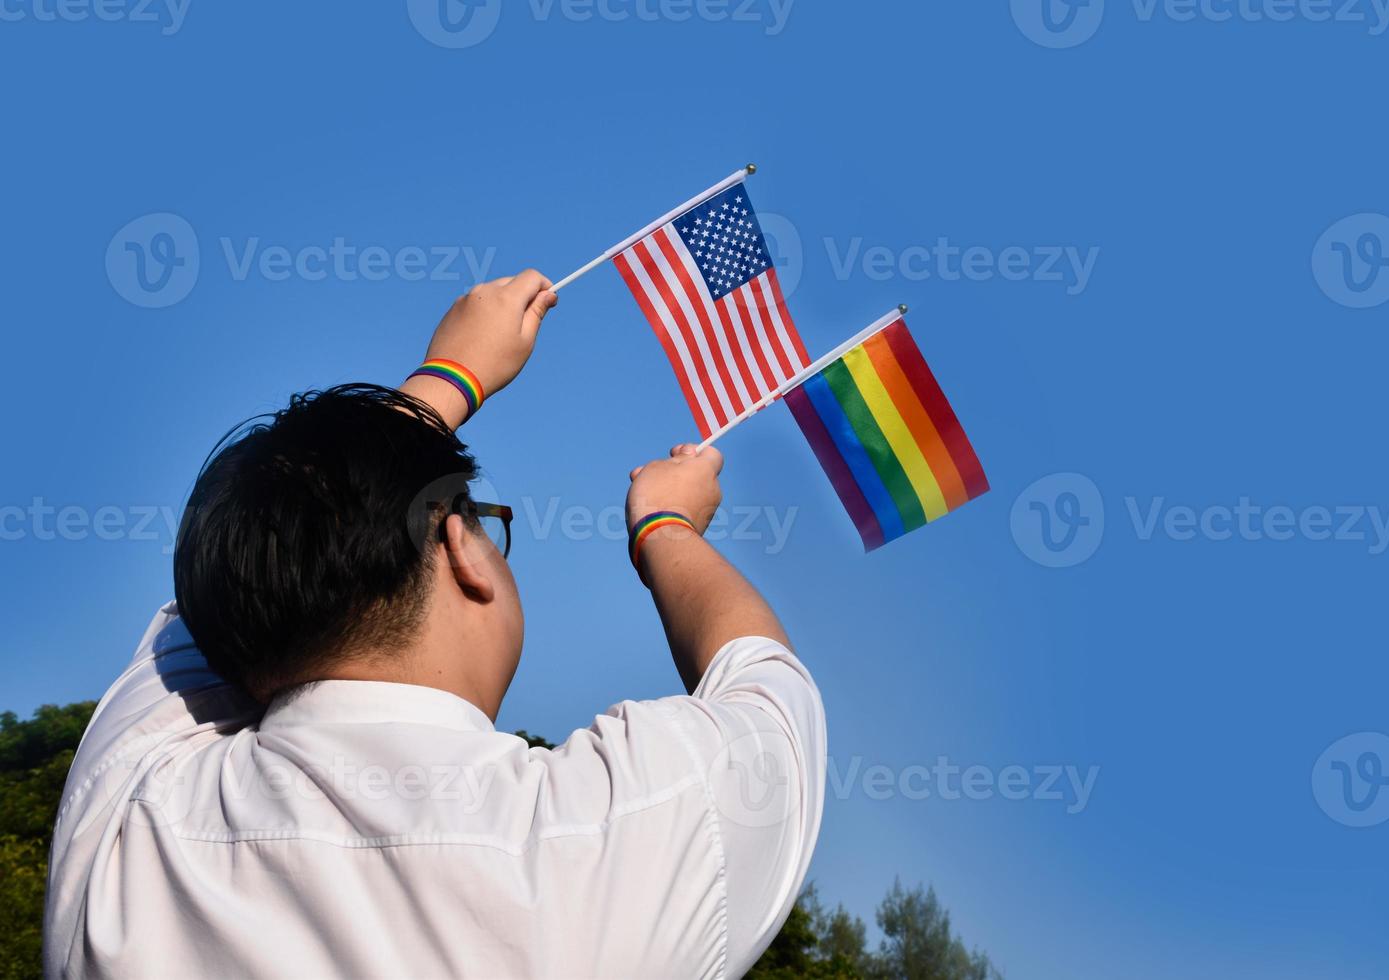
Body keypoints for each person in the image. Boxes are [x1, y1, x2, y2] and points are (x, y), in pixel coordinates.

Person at [41, 272, 825, 978]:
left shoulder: (125, 823)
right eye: (487, 522)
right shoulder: (614, 836)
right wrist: (665, 526)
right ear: (459, 547)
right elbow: (761, 686)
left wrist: (442, 383)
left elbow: (231, 575)